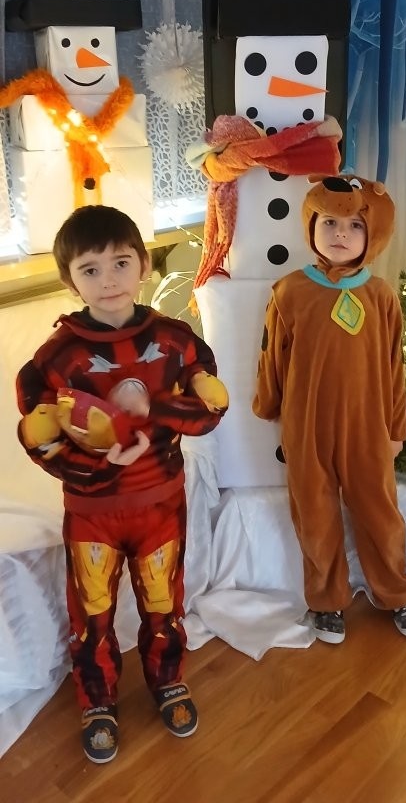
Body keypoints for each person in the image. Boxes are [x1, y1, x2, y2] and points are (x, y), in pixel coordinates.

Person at [16, 204, 228, 764]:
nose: (108, 279)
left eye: (120, 262)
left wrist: (153, 409)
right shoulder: (56, 358)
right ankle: (98, 699)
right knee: (92, 612)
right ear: (70, 281)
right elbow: (39, 439)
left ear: (144, 266)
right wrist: (99, 463)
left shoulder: (177, 341)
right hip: (93, 513)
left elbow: (212, 410)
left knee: (164, 602)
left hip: (160, 505)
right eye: (90, 269)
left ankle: (167, 679)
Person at [252, 174, 406, 646]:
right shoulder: (289, 291)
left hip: (367, 426)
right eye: (329, 222)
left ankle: (396, 592)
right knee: (314, 513)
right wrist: (269, 404)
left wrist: (395, 428)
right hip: (307, 425)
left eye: (354, 225)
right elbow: (272, 355)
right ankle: (326, 600)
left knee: (379, 511)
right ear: (311, 225)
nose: (340, 234)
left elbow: (394, 365)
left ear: (373, 234)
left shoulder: (381, 295)